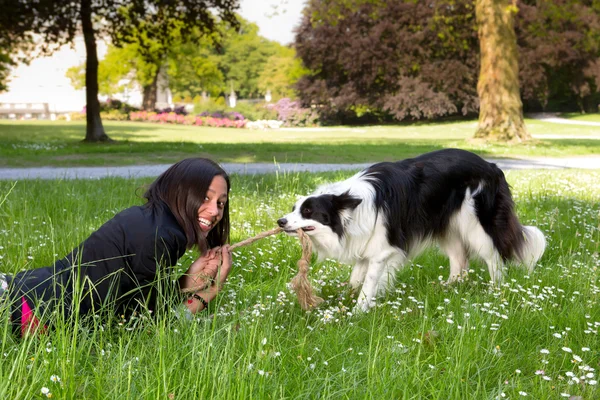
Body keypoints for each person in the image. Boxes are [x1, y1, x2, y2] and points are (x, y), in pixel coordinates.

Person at [0, 158, 233, 336]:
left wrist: (187, 282)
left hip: (20, 289)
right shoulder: (158, 236)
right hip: (22, 309)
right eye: (205, 198)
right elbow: (152, 328)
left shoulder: (150, 221)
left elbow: (140, 302)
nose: (214, 211)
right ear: (179, 191)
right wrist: (209, 293)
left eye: (220, 203)